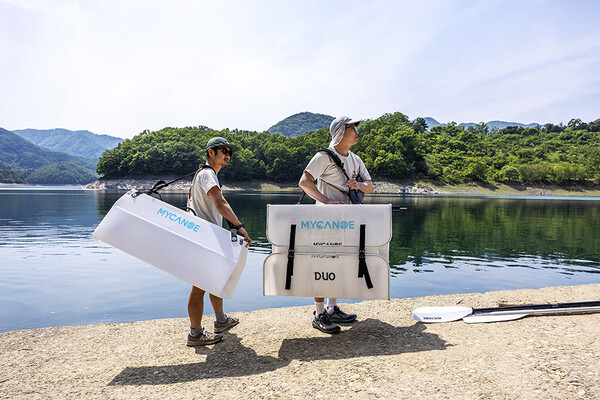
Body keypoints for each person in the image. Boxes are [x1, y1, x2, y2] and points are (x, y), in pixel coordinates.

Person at [298, 116, 374, 334]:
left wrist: (358, 184)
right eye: (352, 127)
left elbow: (371, 186)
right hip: (323, 221)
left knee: (338, 264)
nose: (357, 131)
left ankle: (331, 309)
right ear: (340, 131)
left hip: (346, 221)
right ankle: (319, 313)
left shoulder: (355, 159)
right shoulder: (323, 156)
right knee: (322, 265)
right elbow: (304, 182)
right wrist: (326, 201)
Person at [186, 136, 252, 346]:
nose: (227, 154)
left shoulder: (204, 175)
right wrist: (239, 226)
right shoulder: (207, 174)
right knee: (199, 286)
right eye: (223, 150)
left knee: (215, 279)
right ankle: (195, 334)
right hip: (203, 237)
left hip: (205, 236)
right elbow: (220, 202)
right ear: (210, 153)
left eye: (229, 152)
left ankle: (221, 320)